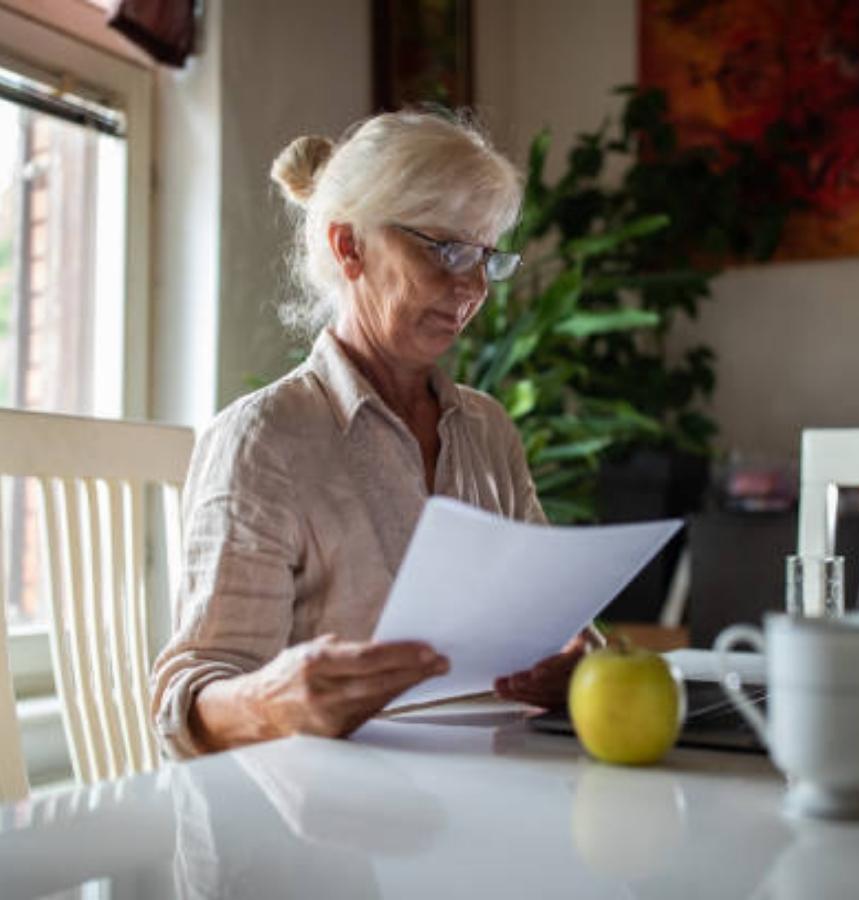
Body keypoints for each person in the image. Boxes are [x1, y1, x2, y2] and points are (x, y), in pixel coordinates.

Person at [151, 109, 595, 759]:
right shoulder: (265, 440)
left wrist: (573, 662)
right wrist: (276, 702)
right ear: (348, 245)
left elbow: (560, 625)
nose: (472, 286)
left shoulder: (486, 430)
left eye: (486, 258)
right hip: (319, 825)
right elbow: (184, 704)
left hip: (487, 805)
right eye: (445, 249)